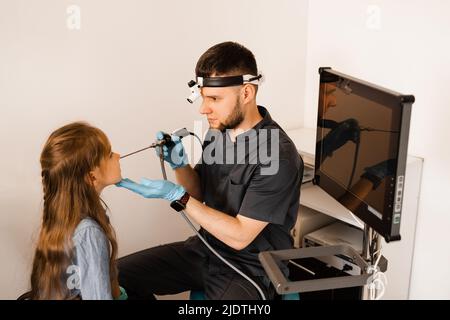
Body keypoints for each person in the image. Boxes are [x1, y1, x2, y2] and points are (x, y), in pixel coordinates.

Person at [116, 41, 303, 300]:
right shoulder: (219, 131)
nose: (203, 109)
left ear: (246, 93)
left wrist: (178, 197)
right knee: (112, 277)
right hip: (204, 250)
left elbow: (239, 236)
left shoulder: (278, 156)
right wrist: (180, 166)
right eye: (203, 98)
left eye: (214, 99)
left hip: (248, 268)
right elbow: (200, 192)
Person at [29, 122, 126, 300]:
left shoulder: (62, 218)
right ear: (92, 176)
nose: (118, 156)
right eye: (110, 154)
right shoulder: (89, 231)